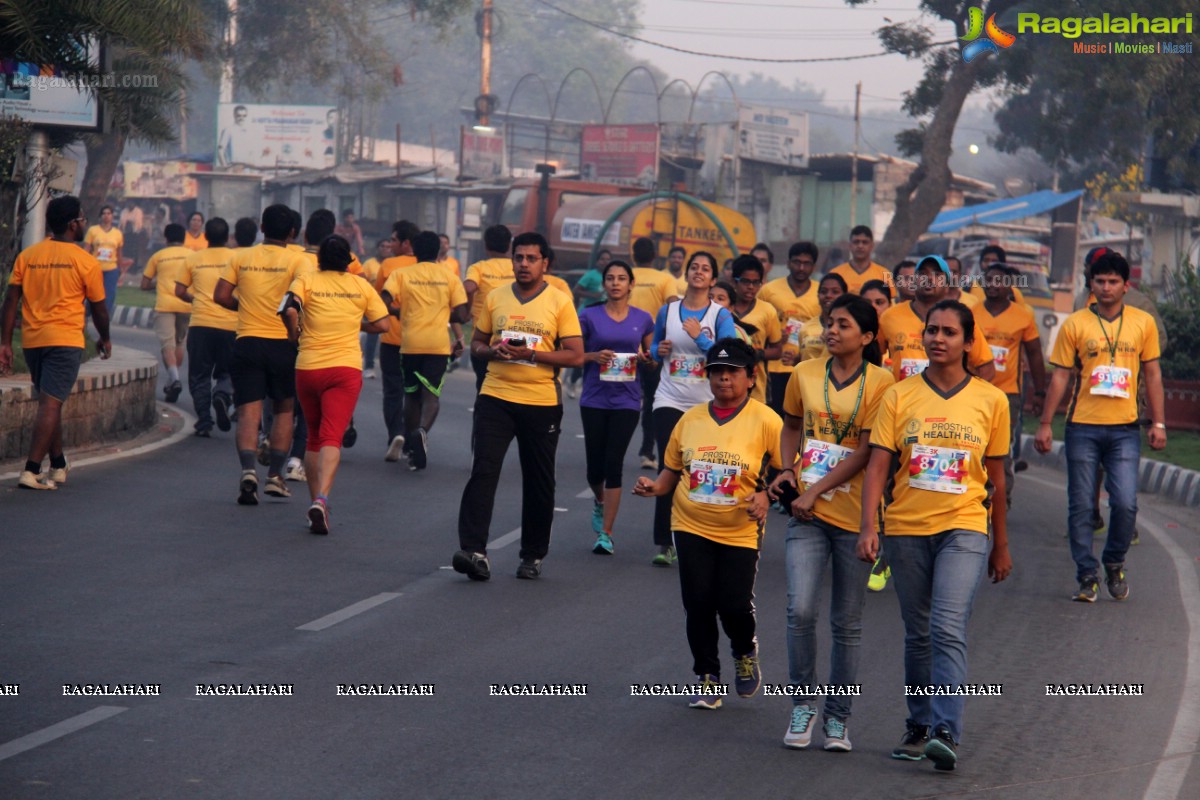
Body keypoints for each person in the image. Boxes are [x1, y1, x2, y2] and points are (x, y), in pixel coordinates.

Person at [859, 300, 1012, 771]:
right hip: (906, 529)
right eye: (931, 331)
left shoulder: (991, 400)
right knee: (918, 633)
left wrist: (1000, 544)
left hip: (965, 526)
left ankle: (946, 731)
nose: (937, 339)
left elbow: (998, 479)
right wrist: (869, 526)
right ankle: (919, 726)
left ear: (969, 343)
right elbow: (879, 464)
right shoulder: (898, 395)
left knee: (946, 626)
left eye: (949, 332)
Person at [769, 294, 894, 751]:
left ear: (866, 337)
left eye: (843, 325)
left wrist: (814, 488)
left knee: (847, 621)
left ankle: (838, 718)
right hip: (806, 515)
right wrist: (786, 469)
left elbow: (866, 451)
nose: (832, 330)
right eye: (829, 322)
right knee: (799, 609)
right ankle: (803, 705)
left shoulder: (883, 382)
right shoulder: (803, 372)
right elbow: (790, 424)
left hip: (855, 516)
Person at [633, 338, 783, 708]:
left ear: (751, 377)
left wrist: (766, 497)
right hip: (689, 523)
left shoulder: (767, 420)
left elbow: (787, 473)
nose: (723, 380)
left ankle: (745, 652)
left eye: (732, 372)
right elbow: (671, 471)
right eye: (716, 372)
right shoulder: (691, 419)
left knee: (733, 604)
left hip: (740, 529)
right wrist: (654, 487)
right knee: (697, 601)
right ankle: (707, 676)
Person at [453, 232, 584, 581]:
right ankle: (473, 550)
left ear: (545, 264)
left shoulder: (559, 301)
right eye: (518, 258)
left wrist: (532, 354)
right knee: (484, 470)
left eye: (531, 258)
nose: (523, 264)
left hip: (541, 402)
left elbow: (575, 355)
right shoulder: (495, 297)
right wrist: (489, 351)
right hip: (495, 396)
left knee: (539, 481)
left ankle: (533, 554)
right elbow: (476, 343)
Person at [1035, 251, 1165, 602]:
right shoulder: (1076, 323)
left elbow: (1152, 374)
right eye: (1099, 281)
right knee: (1080, 505)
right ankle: (1086, 574)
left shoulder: (1142, 323)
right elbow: (1061, 375)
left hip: (1125, 428)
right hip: (1082, 427)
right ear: (1090, 285)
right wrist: (1046, 423)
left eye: (1112, 282)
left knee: (1124, 504)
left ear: (1126, 286)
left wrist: (1159, 422)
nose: (1106, 288)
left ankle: (1114, 561)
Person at [0, 195, 112, 490]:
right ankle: (31, 469)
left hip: (33, 341)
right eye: (83, 219)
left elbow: (11, 299)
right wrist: (105, 338)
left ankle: (59, 462)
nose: (85, 223)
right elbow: (99, 309)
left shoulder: (29, 255)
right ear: (73, 225)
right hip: (65, 341)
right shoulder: (85, 262)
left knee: (52, 400)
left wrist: (5, 343)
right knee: (50, 404)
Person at [281, 235, 390, 534]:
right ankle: (322, 498)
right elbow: (383, 325)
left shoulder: (306, 279)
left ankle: (317, 505)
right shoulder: (360, 286)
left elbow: (290, 309)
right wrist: (356, 323)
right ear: (348, 261)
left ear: (319, 260)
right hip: (344, 369)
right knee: (332, 436)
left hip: (309, 367)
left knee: (313, 436)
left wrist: (293, 333)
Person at [214, 204, 313, 505]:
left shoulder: (241, 256)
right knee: (284, 410)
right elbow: (303, 301)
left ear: (261, 227)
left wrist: (242, 307)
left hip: (247, 341)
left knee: (248, 412)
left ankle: (248, 471)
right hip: (284, 343)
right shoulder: (301, 260)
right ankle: (274, 476)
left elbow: (220, 295)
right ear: (293, 232)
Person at [648, 252, 739, 565]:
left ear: (713, 279)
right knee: (669, 465)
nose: (699, 272)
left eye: (706, 269)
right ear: (687, 275)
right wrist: (655, 349)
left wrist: (700, 338)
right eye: (694, 268)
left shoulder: (720, 315)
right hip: (669, 398)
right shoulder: (668, 310)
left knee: (700, 467)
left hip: (706, 403)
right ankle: (665, 542)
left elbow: (728, 354)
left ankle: (701, 534)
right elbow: (654, 346)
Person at [578, 259, 655, 554]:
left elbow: (650, 357)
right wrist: (592, 357)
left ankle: (606, 534)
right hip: (594, 398)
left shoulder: (643, 318)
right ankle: (599, 500)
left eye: (621, 278)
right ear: (604, 283)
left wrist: (649, 359)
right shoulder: (589, 315)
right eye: (610, 278)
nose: (615, 283)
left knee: (614, 464)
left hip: (626, 399)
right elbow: (572, 354)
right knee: (593, 470)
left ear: (631, 284)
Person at [381, 230, 468, 471]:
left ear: (415, 251)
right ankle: (422, 431)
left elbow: (384, 301)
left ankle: (410, 444)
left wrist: (400, 313)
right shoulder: (449, 276)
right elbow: (462, 314)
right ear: (438, 251)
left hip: (410, 345)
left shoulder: (401, 274)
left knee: (411, 395)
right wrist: (440, 312)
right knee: (431, 396)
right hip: (437, 346)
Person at [975, 262, 1046, 508]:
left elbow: (1035, 354)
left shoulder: (1023, 316)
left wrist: (1039, 392)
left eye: (999, 281)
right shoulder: (971, 314)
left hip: (1008, 395)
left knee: (1001, 450)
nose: (993, 285)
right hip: (974, 392)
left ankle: (1000, 498)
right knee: (975, 445)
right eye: (989, 279)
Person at [878, 256, 995, 383]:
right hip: (903, 400)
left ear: (947, 284)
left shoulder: (960, 317)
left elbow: (986, 369)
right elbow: (872, 358)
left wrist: (961, 398)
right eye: (923, 274)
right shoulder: (889, 317)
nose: (929, 278)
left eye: (937, 274)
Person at [175, 217, 238, 437]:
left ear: (206, 236)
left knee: (199, 375)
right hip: (231, 325)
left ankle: (204, 420)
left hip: (201, 324)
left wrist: (195, 299)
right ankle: (222, 395)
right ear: (228, 236)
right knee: (228, 371)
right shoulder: (236, 258)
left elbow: (179, 291)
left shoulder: (194, 258)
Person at [630, 237, 681, 470]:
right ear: (655, 257)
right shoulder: (665, 279)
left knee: (624, 398)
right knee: (651, 400)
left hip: (626, 347)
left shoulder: (625, 275)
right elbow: (673, 309)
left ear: (633, 255)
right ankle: (647, 451)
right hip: (653, 350)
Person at [374, 220, 420, 458]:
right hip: (420, 341)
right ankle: (414, 440)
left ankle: (396, 434)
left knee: (393, 390)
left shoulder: (389, 265)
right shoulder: (428, 266)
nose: (390, 244)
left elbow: (378, 298)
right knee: (415, 392)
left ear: (406, 243)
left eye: (393, 240)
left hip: (392, 338)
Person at [759, 242, 820, 417]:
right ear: (788, 263)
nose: (801, 267)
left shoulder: (821, 292)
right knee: (773, 417)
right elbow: (757, 323)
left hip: (807, 368)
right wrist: (774, 336)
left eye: (806, 263)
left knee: (801, 419)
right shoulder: (769, 290)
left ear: (813, 266)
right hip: (774, 368)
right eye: (796, 262)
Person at [141, 223, 193, 402]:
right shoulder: (192, 256)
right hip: (187, 304)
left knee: (166, 345)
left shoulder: (158, 256)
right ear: (184, 238)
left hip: (165, 306)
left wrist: (160, 282)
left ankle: (175, 379)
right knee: (179, 343)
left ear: (166, 238)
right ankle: (173, 380)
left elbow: (144, 284)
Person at [463, 224, 515, 393]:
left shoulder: (479, 267)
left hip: (483, 338)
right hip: (514, 335)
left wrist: (467, 310)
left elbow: (469, 288)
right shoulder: (517, 267)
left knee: (484, 387)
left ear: (486, 245)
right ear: (509, 246)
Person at [729, 255, 782, 404]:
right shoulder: (722, 309)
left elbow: (777, 350)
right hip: (725, 385)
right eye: (745, 281)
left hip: (756, 389)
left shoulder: (767, 310)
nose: (751, 287)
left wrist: (756, 354)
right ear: (734, 281)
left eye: (756, 282)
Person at [567, 248, 612, 398]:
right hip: (586, 318)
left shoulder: (611, 277)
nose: (605, 262)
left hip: (603, 320)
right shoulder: (591, 275)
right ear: (597, 261)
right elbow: (576, 290)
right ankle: (573, 382)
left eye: (607, 259)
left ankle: (596, 385)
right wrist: (593, 295)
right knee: (585, 352)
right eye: (602, 259)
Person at [797, 273, 847, 364]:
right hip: (809, 377)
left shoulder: (851, 328)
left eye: (835, 292)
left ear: (845, 296)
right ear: (818, 296)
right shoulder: (806, 328)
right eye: (824, 291)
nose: (828, 295)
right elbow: (802, 360)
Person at [359, 238, 391, 379]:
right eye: (383, 246)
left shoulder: (392, 265)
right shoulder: (369, 264)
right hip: (371, 305)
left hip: (389, 306)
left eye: (388, 247)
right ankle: (369, 366)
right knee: (372, 335)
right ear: (378, 248)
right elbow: (361, 282)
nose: (385, 249)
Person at [84, 205, 123, 316]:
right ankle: (88, 313)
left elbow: (119, 252)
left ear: (112, 216)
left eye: (109, 214)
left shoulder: (117, 233)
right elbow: (87, 248)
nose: (106, 216)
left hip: (111, 269)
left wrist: (120, 268)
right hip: (95, 267)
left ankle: (104, 316)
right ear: (100, 216)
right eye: (104, 213)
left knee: (109, 295)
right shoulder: (93, 230)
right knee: (93, 293)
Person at [828, 226, 891, 295]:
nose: (860, 246)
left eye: (865, 242)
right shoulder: (835, 273)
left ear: (872, 246)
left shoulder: (885, 274)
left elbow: (892, 302)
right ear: (850, 245)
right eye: (856, 242)